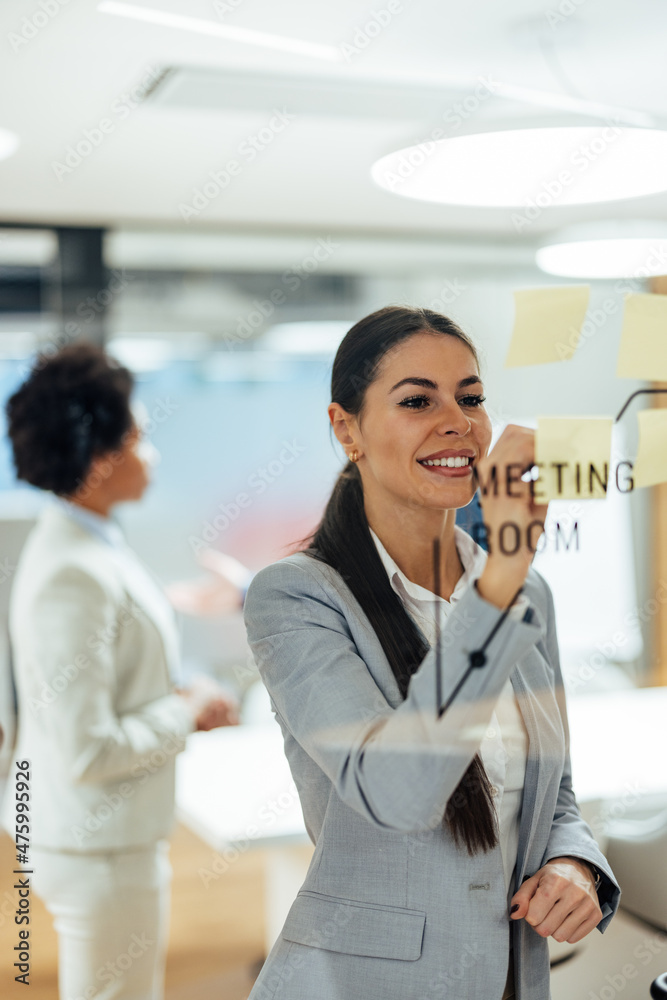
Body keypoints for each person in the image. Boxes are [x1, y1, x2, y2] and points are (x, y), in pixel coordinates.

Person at [242, 306, 621, 1000]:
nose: (458, 422)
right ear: (345, 428)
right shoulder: (295, 598)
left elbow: (553, 790)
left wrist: (576, 863)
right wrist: (499, 580)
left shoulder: (526, 589)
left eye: (470, 398)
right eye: (417, 400)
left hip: (509, 977)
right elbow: (397, 791)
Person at [2, 343, 239, 999]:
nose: (152, 453)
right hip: (97, 850)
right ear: (101, 462)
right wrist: (186, 710)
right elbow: (89, 746)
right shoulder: (71, 572)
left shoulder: (89, 541)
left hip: (104, 840)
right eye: (139, 437)